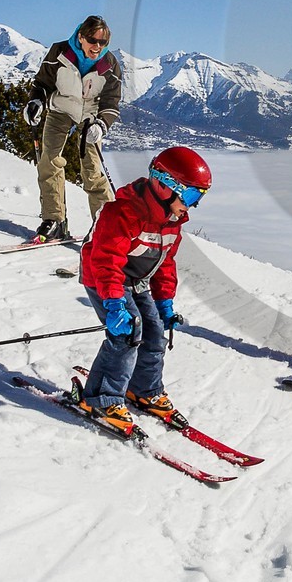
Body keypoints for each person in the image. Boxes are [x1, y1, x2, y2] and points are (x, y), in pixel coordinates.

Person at [77, 146, 212, 434]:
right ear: (165, 187)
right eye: (190, 196)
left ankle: (143, 389)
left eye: (198, 198)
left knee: (153, 331)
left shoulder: (171, 222)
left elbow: (164, 263)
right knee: (126, 333)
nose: (192, 205)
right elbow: (106, 262)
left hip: (135, 281)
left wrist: (165, 303)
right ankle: (101, 398)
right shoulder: (123, 213)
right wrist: (114, 304)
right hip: (105, 279)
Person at [25, 15, 123, 241]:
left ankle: (105, 227)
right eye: (93, 40)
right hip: (61, 110)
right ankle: (54, 220)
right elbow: (42, 84)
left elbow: (112, 101)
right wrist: (36, 101)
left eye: (103, 42)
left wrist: (102, 123)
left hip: (90, 116)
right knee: (48, 161)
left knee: (91, 170)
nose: (97, 46)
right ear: (81, 37)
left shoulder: (109, 64)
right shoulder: (59, 53)